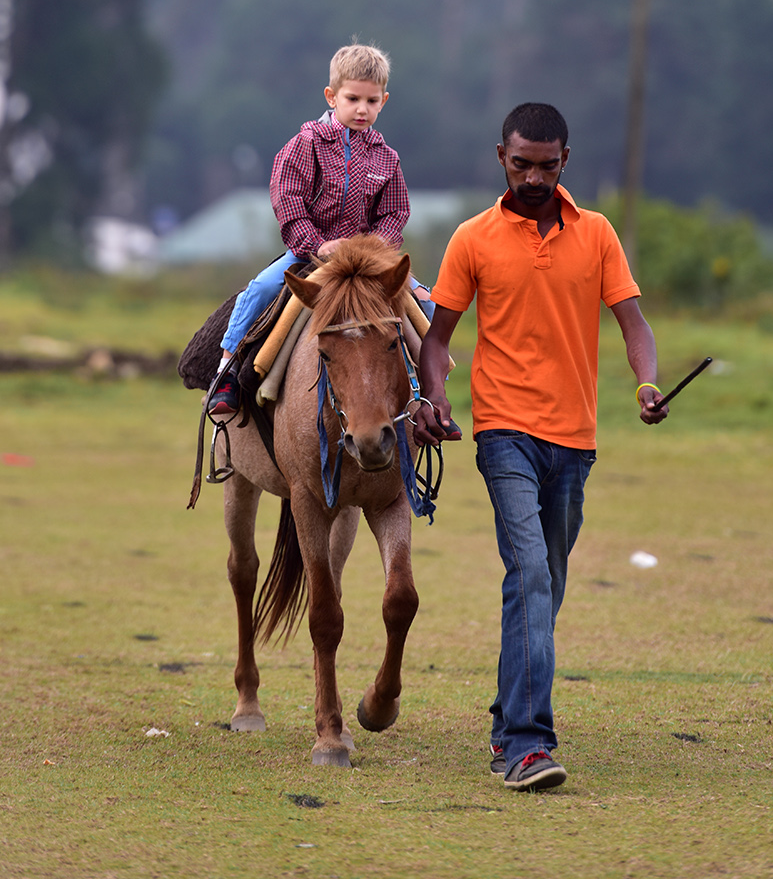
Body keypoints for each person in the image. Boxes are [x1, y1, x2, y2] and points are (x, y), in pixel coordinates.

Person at [413, 101, 667, 792]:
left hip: (574, 440)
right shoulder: (472, 238)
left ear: (565, 162)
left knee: (544, 584)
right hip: (503, 434)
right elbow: (438, 341)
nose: (531, 175)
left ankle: (507, 714)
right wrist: (435, 397)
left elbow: (632, 321)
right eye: (520, 163)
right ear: (501, 156)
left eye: (545, 165)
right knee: (528, 572)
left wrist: (646, 383)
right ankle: (526, 744)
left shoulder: (599, 234)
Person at [207, 43, 430, 416]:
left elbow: (394, 213)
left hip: (366, 264)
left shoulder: (386, 157)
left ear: (384, 101)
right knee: (261, 288)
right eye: (353, 98)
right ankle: (226, 371)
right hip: (310, 252)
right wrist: (317, 244)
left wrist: (376, 245)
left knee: (428, 302)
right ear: (332, 96)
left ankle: (428, 395)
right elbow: (288, 199)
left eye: (372, 101)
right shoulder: (305, 145)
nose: (363, 109)